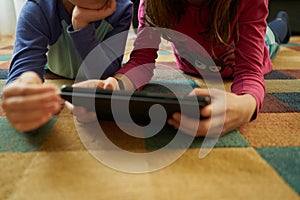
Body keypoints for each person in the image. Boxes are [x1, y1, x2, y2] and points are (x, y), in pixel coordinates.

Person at [74, 0, 291, 137]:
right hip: (195, 65)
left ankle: (282, 21)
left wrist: (245, 105)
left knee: (274, 35)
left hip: (258, 47)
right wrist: (116, 84)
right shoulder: (152, 3)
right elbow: (142, 60)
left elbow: (250, 71)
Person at [0, 0, 133, 132]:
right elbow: (23, 69)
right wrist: (25, 88)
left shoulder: (122, 8)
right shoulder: (38, 8)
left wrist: (81, 25)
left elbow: (106, 74)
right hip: (53, 70)